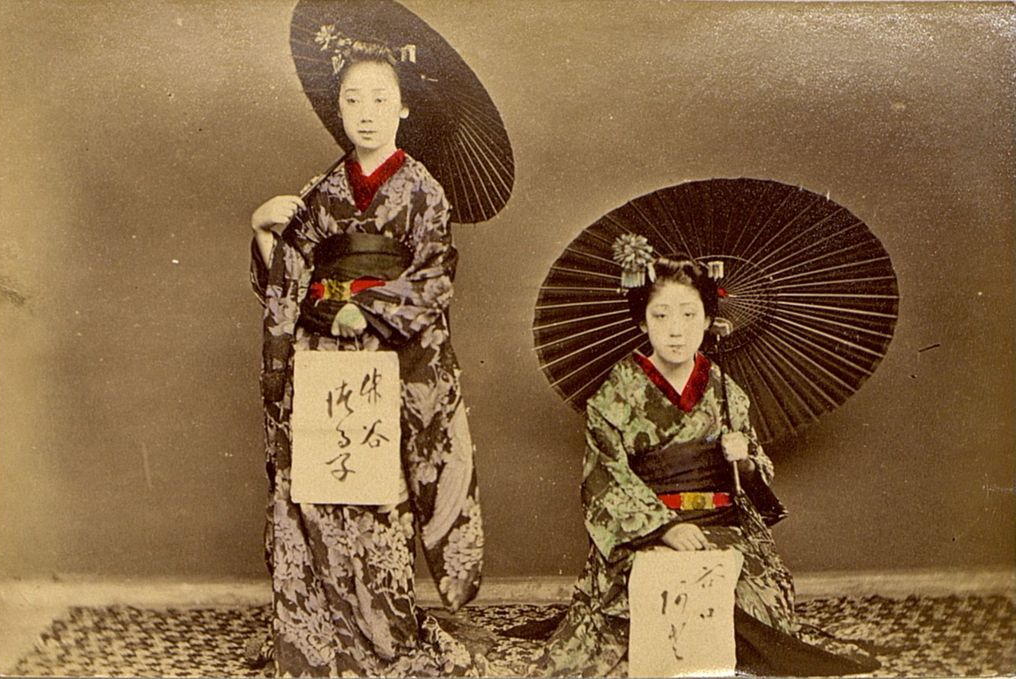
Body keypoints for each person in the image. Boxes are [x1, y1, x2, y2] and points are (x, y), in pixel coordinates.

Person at [527, 247, 880, 677]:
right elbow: (605, 479)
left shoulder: (725, 389)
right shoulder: (614, 394)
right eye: (661, 316)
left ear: (709, 320)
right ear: (642, 320)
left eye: (689, 315)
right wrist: (667, 528)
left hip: (719, 524)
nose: (676, 330)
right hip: (646, 532)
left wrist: (745, 461)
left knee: (752, 606)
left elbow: (753, 479)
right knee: (637, 617)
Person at [248, 40, 484, 677]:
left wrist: (372, 309)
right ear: (340, 110)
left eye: (381, 99)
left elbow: (435, 277)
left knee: (379, 496)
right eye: (353, 100)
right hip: (323, 355)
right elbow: (285, 276)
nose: (367, 112)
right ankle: (316, 629)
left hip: (389, 359)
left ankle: (383, 627)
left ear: (404, 108)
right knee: (317, 493)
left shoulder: (423, 190)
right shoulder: (320, 189)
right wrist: (263, 229)